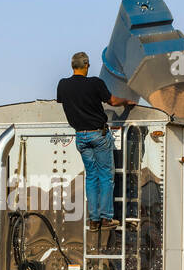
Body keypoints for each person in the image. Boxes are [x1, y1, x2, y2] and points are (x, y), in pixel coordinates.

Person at [56, 52, 135, 231]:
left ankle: (93, 220)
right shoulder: (95, 83)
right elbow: (113, 101)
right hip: (98, 135)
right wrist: (125, 102)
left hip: (80, 137)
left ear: (72, 66)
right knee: (106, 176)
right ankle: (106, 217)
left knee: (91, 177)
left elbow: (63, 101)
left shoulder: (63, 85)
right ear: (86, 65)